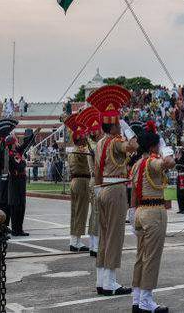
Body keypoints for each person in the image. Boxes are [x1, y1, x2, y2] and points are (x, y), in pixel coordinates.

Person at [89, 85, 138, 296]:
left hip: (102, 188)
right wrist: (128, 129)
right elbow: (133, 146)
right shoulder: (117, 141)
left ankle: (102, 279)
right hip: (115, 188)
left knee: (104, 235)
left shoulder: (100, 142)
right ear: (116, 125)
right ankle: (110, 282)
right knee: (114, 236)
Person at [130, 121, 175, 313]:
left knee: (141, 257)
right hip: (153, 212)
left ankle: (137, 298)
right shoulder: (151, 162)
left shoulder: (137, 164)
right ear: (153, 146)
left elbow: (133, 192)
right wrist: (167, 149)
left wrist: (132, 214)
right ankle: (147, 299)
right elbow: (169, 163)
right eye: (157, 145)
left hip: (139, 211)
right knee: (152, 257)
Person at [77, 106, 103, 257]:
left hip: (94, 181)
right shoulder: (92, 146)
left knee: (95, 214)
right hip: (96, 180)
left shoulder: (91, 146)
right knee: (97, 214)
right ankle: (95, 246)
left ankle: (94, 244)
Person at [64, 112, 91, 252]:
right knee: (81, 212)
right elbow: (91, 152)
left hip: (75, 181)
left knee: (75, 211)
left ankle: (73, 240)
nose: (86, 138)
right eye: (84, 137)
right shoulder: (81, 150)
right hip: (82, 182)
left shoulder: (73, 150)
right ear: (80, 139)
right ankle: (77, 242)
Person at [7, 128, 38, 236]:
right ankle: (15, 229)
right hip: (15, 182)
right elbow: (19, 165)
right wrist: (23, 163)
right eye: (15, 142)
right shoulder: (10, 154)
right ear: (11, 144)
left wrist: (34, 134)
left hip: (20, 182)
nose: (17, 143)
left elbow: (25, 144)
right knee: (15, 206)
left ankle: (20, 229)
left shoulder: (16, 152)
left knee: (22, 206)